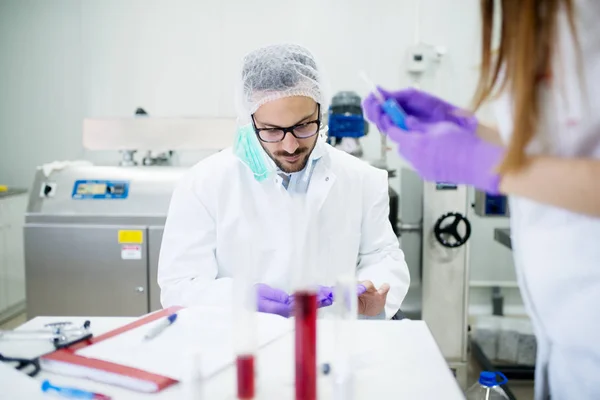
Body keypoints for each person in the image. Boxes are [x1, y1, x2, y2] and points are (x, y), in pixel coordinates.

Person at [363, 1, 600, 399]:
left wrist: (486, 164)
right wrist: (467, 129)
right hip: (568, 352)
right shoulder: (540, 15)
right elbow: (565, 147)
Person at [158, 43, 410, 320]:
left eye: (303, 126)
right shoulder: (204, 183)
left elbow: (382, 256)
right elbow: (180, 285)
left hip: (332, 345)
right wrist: (240, 298)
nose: (290, 146)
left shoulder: (362, 179)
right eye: (272, 130)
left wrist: (374, 296)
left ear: (320, 111)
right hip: (239, 347)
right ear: (249, 119)